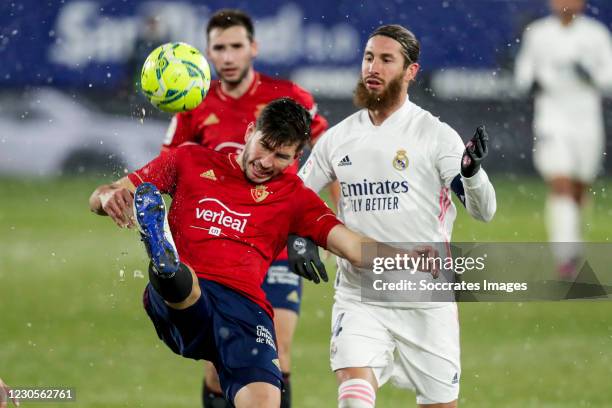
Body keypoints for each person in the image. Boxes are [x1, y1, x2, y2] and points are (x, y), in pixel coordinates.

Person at [90, 98, 431, 408]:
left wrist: (424, 266)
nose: (266, 162)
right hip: (193, 294)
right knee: (185, 284)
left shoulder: (296, 197)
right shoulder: (190, 159)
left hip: (246, 309)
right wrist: (107, 197)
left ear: (296, 158)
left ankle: (167, 266)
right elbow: (103, 195)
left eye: (281, 156)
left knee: (265, 400)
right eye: (264, 146)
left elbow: (354, 248)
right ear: (251, 132)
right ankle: (166, 266)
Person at [297, 25, 497, 407]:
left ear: (411, 72)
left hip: (425, 294)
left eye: (387, 60)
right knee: (354, 396)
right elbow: (297, 200)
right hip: (360, 293)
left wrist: (471, 174)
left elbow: (483, 210)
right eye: (369, 57)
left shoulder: (434, 136)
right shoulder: (337, 140)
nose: (374, 67)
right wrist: (299, 238)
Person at [161, 9, 329, 407]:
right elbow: (172, 174)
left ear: (253, 48)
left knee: (277, 351)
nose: (229, 56)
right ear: (208, 53)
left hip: (278, 246)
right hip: (222, 250)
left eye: (237, 46)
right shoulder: (194, 106)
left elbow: (326, 162)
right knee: (219, 364)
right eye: (220, 48)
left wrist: (309, 232)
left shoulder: (289, 100)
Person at [514, 0, 612, 278]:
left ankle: (573, 245)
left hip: (586, 122)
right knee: (561, 184)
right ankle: (565, 257)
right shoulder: (538, 34)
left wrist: (591, 75)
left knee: (580, 189)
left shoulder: (596, 34)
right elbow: (523, 74)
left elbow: (609, 76)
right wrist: (532, 82)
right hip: (552, 121)